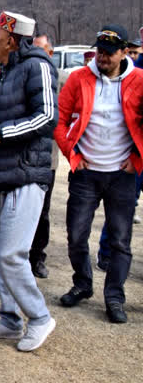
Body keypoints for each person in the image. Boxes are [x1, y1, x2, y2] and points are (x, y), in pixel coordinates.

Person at [0, 11, 57, 352]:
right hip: (4, 174)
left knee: (12, 254)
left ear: (12, 40)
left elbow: (46, 116)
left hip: (26, 174)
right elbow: (4, 113)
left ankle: (40, 317)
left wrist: (0, 134)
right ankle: (9, 318)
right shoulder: (8, 71)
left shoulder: (38, 66)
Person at [54, 24, 143, 324]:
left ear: (123, 52)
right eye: (99, 51)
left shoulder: (139, 80)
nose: (102, 57)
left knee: (120, 240)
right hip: (86, 173)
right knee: (76, 235)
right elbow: (60, 118)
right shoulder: (79, 78)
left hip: (122, 175)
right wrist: (72, 154)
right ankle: (82, 284)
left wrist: (137, 161)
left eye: (109, 52)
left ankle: (114, 297)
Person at [28, 34, 64, 279]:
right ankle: (21, 257)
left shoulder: (59, 80)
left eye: (42, 51)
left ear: (50, 53)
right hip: (24, 155)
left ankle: (37, 257)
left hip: (47, 157)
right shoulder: (26, 75)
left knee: (42, 211)